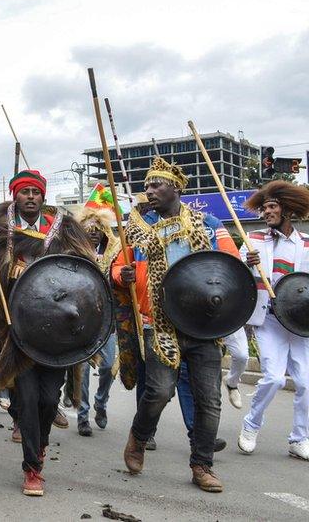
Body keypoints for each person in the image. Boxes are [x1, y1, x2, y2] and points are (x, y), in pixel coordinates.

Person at [0, 169, 96, 497]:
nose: (30, 197)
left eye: (36, 191)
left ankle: (40, 443)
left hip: (55, 328)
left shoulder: (64, 226)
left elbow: (88, 268)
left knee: (48, 399)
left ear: (43, 196)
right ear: (14, 194)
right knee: (28, 396)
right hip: (12, 324)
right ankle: (32, 468)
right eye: (24, 192)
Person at [115, 158, 239, 493]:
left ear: (176, 188)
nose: (150, 191)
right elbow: (117, 266)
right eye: (147, 186)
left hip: (204, 326)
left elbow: (230, 266)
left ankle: (202, 465)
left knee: (209, 399)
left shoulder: (208, 223)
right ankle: (139, 438)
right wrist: (122, 274)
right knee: (158, 392)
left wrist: (246, 264)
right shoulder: (137, 227)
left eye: (157, 185)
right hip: (161, 322)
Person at [237, 180, 309, 461]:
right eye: (264, 207)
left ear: (287, 210)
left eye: (272, 207)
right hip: (269, 320)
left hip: (300, 324)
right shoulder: (254, 240)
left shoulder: (306, 244)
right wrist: (247, 263)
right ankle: (251, 424)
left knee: (305, 383)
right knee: (275, 378)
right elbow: (238, 275)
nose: (266, 212)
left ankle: (299, 438)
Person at [72, 206, 121, 438]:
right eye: (89, 229)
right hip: (80, 321)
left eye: (98, 229)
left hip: (107, 320)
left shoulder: (115, 253)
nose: (93, 233)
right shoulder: (73, 253)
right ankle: (83, 416)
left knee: (109, 367)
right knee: (80, 370)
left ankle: (101, 401)